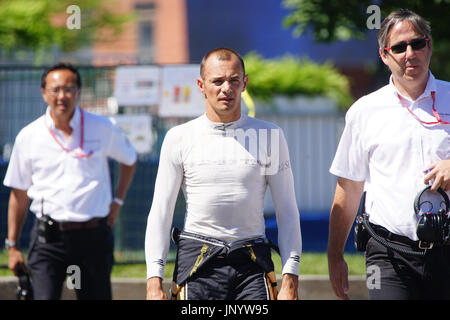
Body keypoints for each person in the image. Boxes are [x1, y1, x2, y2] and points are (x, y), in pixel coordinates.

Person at [145, 48, 302, 300]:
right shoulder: (179, 137)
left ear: (244, 83)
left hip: (252, 264)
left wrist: (290, 279)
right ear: (201, 85)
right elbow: (161, 212)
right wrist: (153, 282)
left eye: (233, 80)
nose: (226, 88)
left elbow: (288, 210)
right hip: (198, 265)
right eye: (217, 81)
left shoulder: (270, 136)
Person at [328, 9, 450, 300]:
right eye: (399, 47)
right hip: (389, 254)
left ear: (429, 46)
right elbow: (349, 187)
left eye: (418, 43)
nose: (410, 53)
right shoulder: (364, 111)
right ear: (384, 55)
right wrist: (334, 256)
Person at [3, 62, 137, 300]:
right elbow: (19, 194)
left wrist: (117, 201)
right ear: (44, 93)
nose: (62, 96)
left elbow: (129, 159)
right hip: (49, 239)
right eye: (55, 89)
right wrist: (12, 245)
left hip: (93, 236)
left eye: (68, 89)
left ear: (78, 92)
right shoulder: (29, 136)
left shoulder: (102, 127)